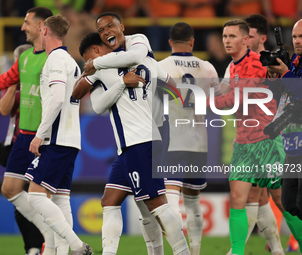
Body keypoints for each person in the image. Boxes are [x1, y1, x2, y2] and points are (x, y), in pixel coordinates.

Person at [73, 31, 190, 255]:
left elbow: (85, 98)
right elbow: (170, 83)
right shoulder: (143, 59)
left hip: (140, 142)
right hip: (131, 146)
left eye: (88, 58)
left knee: (157, 204)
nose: (88, 64)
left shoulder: (104, 67)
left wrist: (101, 71)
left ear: (96, 51)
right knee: (110, 200)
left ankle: (182, 252)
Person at [0, 6, 58, 254]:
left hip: (46, 138)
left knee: (44, 197)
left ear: (41, 26)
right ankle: (47, 237)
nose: (22, 27)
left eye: (26, 22)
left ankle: (63, 244)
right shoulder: (25, 60)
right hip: (23, 136)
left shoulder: (55, 59)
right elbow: (2, 83)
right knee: (10, 190)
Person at [210, 19, 287, 255]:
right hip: (244, 141)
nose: (227, 41)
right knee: (238, 197)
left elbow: (237, 99)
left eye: (232, 36)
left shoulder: (255, 63)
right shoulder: (233, 67)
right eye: (224, 37)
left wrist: (210, 96)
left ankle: (289, 245)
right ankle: (239, 251)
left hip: (267, 140)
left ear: (246, 40)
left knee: (283, 200)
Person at [25, 13, 93, 255]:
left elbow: (55, 99)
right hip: (71, 138)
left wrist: (39, 135)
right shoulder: (70, 61)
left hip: (56, 139)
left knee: (34, 197)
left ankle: (77, 246)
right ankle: (59, 252)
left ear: (44, 31)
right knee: (61, 199)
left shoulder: (55, 60)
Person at [157, 22, 221, 255]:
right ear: (193, 42)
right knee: (193, 200)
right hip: (198, 142)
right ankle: (194, 251)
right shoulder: (207, 68)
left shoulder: (161, 67)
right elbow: (218, 102)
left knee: (171, 197)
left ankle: (178, 251)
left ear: (169, 42)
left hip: (172, 140)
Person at [0, 44, 44, 255]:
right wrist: (12, 85)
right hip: (18, 144)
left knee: (38, 197)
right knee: (19, 198)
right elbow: (3, 110)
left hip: (38, 144)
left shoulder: (42, 81)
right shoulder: (14, 85)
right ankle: (33, 247)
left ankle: (46, 243)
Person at [266, 19, 302, 255]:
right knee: (289, 203)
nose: (297, 41)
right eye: (296, 37)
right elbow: (278, 95)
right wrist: (274, 75)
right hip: (293, 143)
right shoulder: (296, 64)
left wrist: (287, 73)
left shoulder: (295, 68)